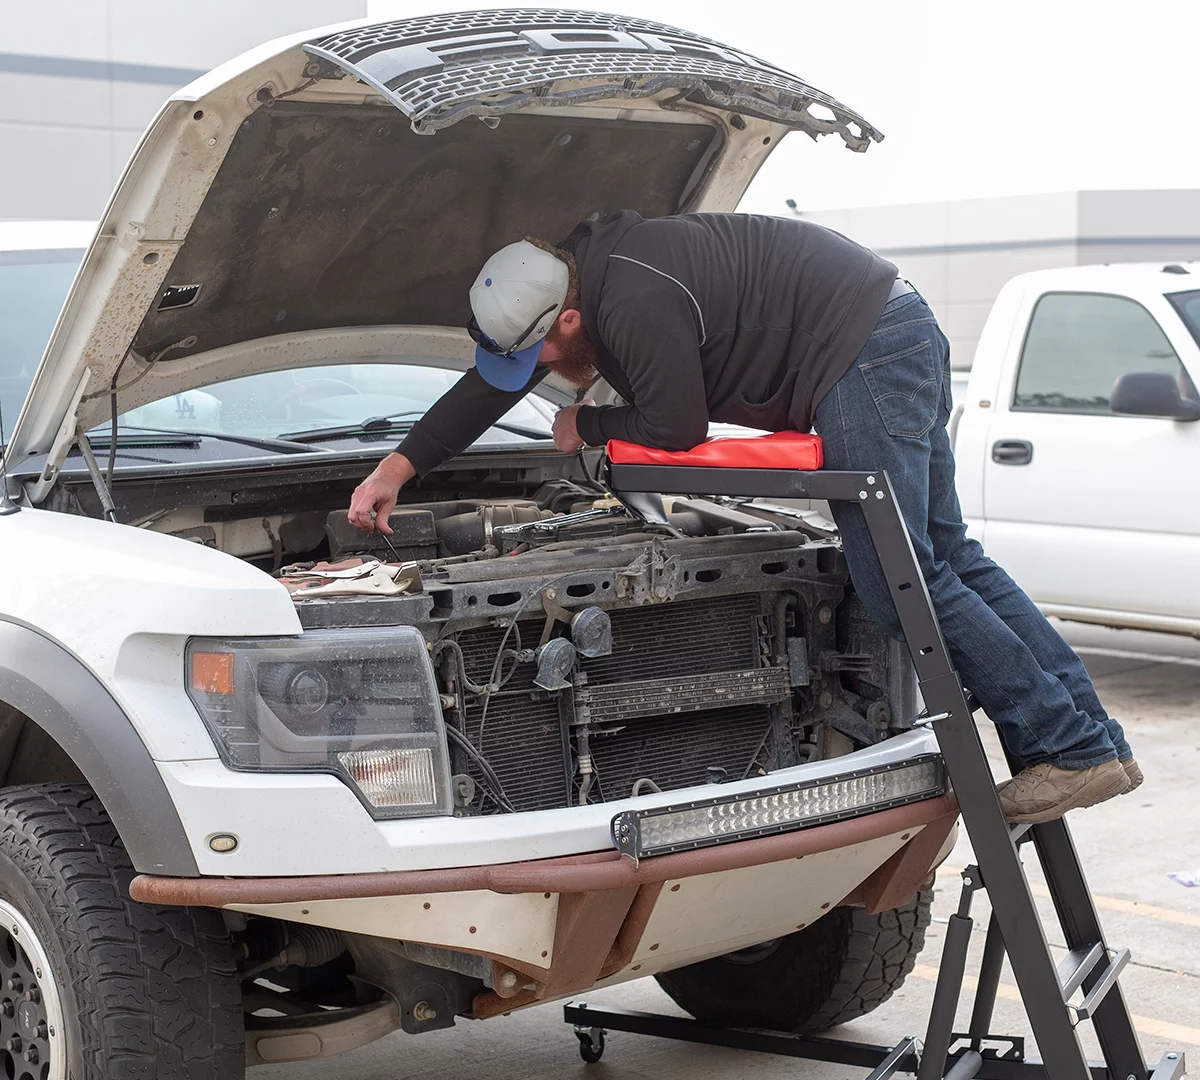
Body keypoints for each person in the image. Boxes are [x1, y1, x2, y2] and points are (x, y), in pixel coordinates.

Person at [348, 210, 1138, 823]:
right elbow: (493, 386)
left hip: (859, 350)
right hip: (889, 328)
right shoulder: (587, 275)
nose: (540, 375)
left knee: (902, 580)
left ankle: (1063, 746)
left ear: (566, 321)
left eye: (541, 358)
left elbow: (674, 427)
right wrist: (399, 466)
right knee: (946, 559)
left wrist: (586, 428)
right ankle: (1092, 746)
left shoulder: (634, 301)